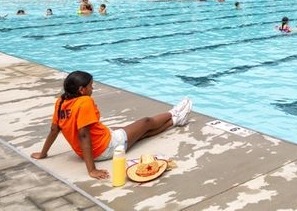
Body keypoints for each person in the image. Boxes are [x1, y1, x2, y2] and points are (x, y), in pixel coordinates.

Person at [31, 71, 193, 180]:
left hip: (93, 147)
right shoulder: (84, 102)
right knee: (145, 122)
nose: (92, 88)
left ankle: (177, 120)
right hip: (106, 147)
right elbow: (84, 135)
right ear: (81, 90)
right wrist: (91, 170)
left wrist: (43, 153)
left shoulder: (61, 102)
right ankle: (173, 112)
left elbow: (54, 129)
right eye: (90, 86)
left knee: (142, 135)